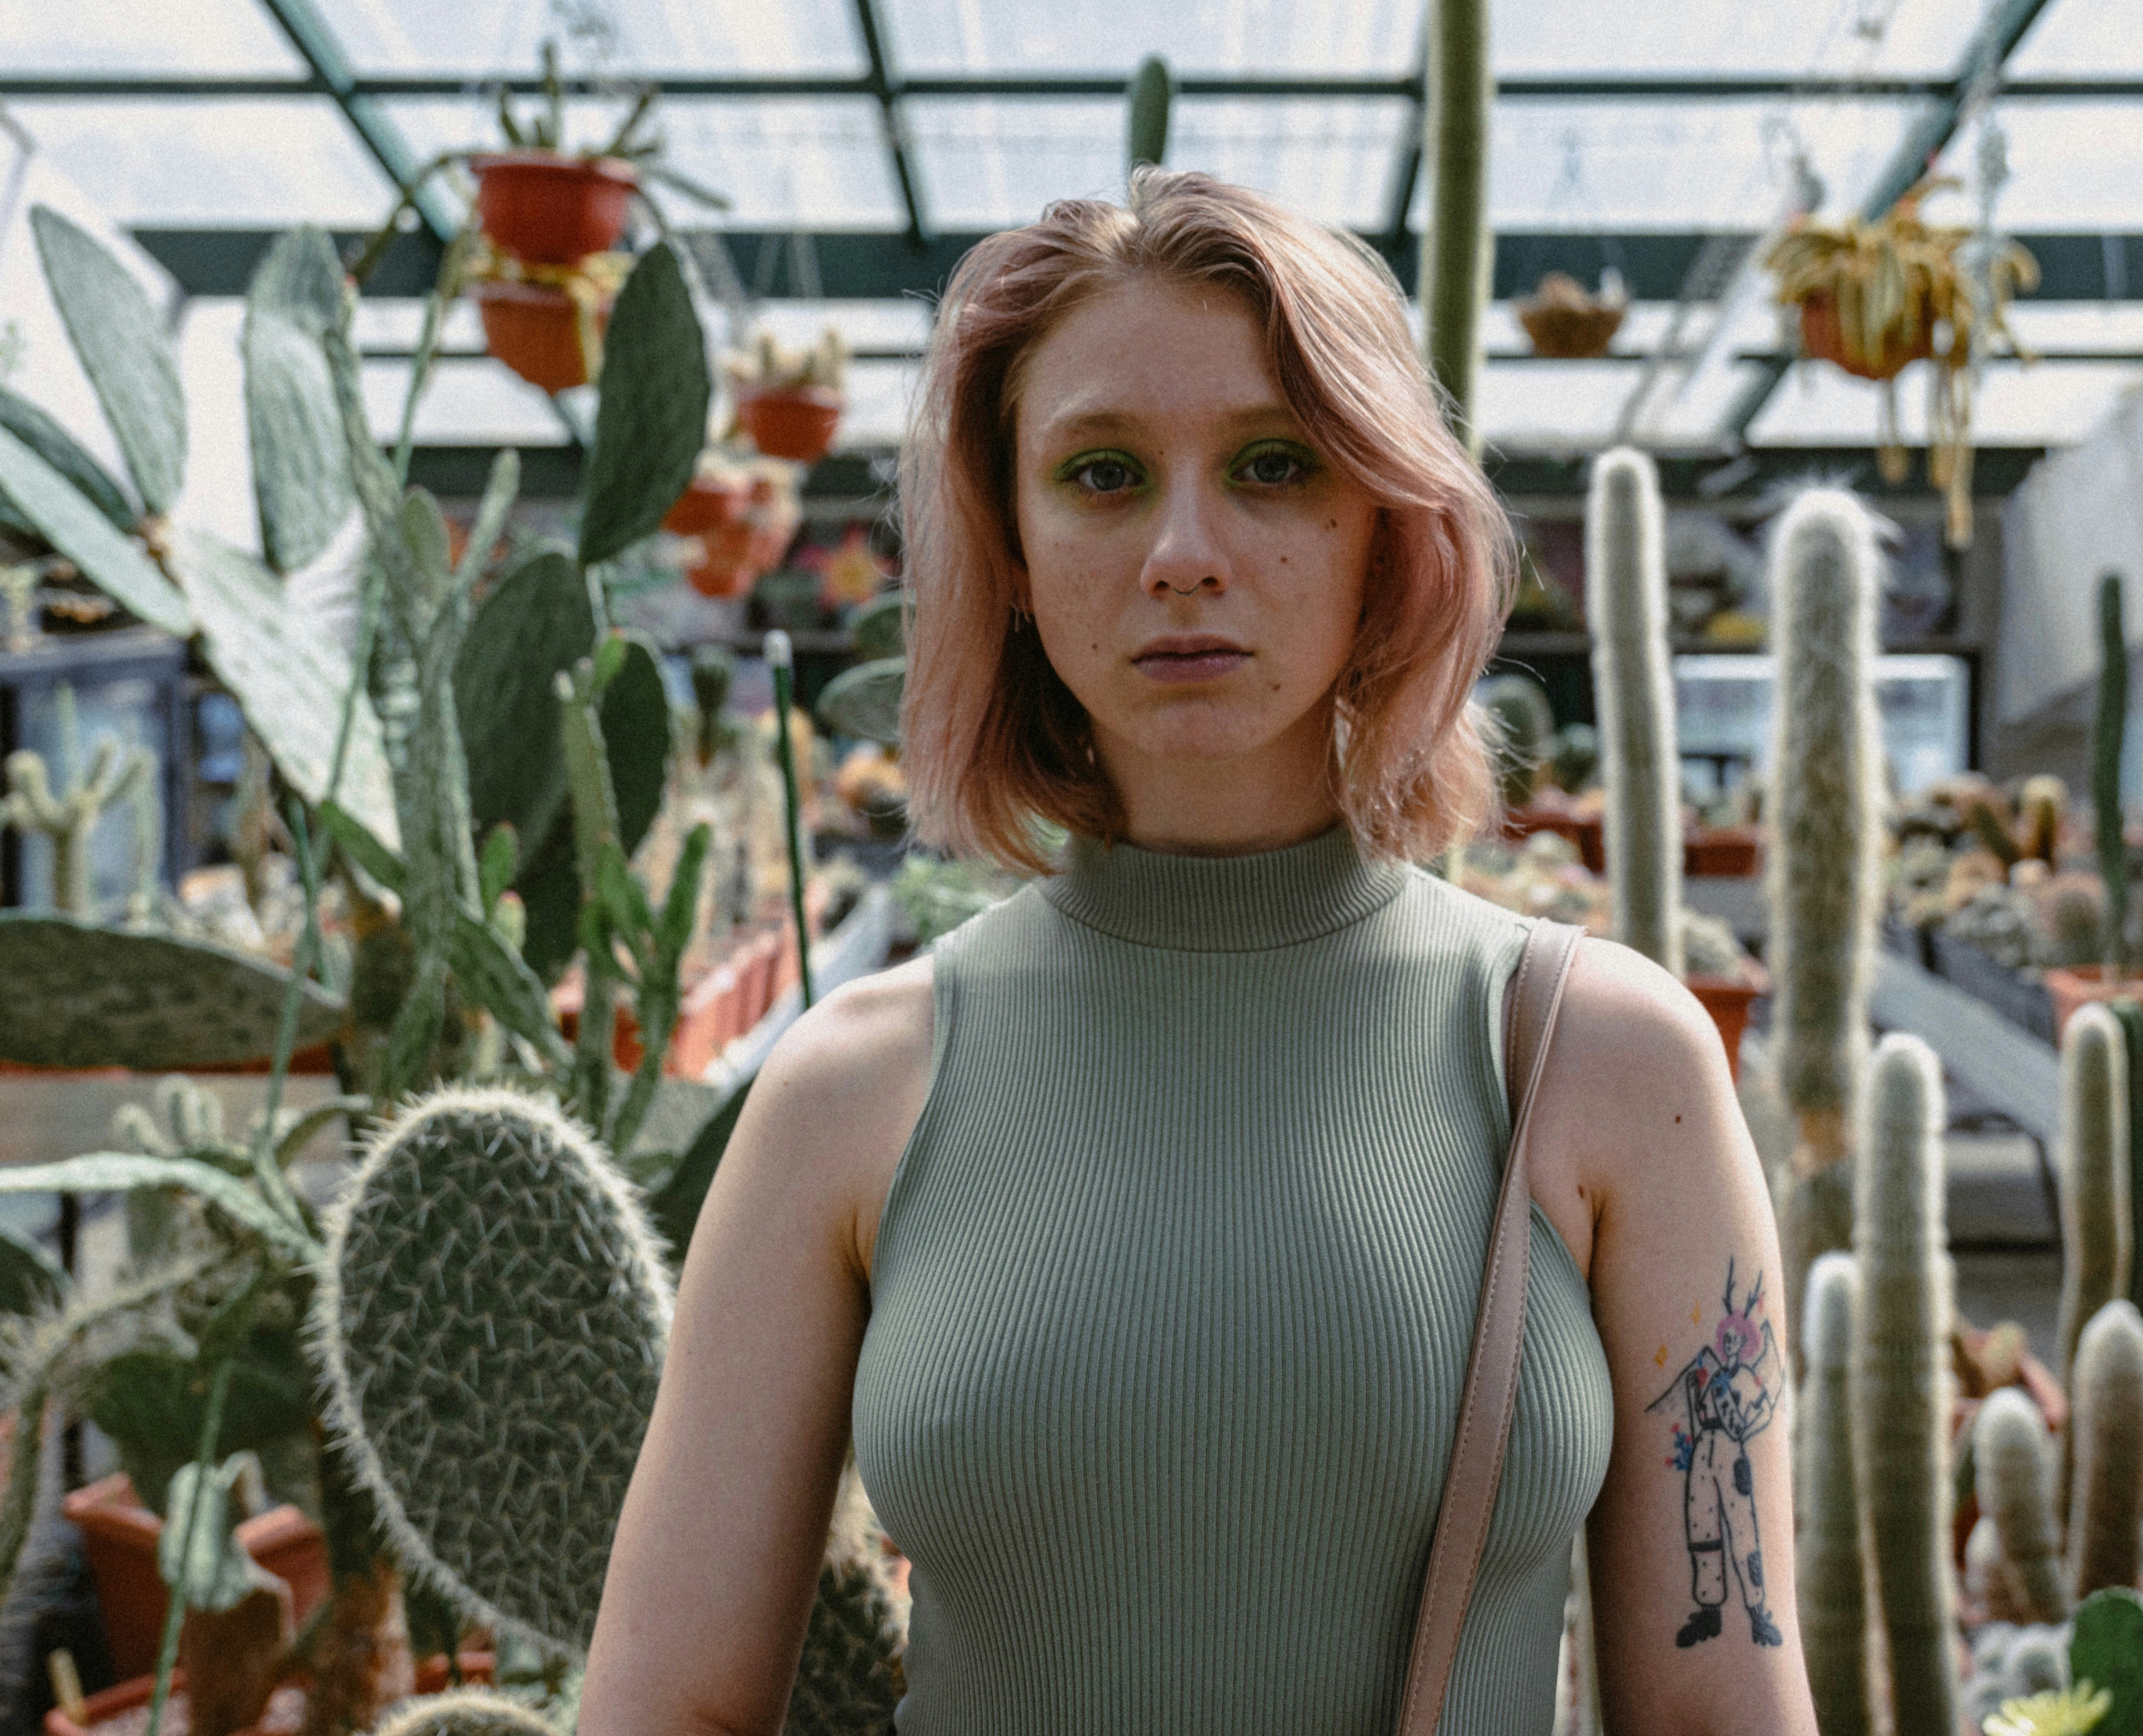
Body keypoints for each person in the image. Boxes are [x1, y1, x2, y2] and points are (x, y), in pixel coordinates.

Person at [584, 173, 1807, 1735]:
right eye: (1099, 472)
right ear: (1010, 549)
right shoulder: (848, 1090)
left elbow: (1721, 1707)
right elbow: (664, 1710)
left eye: (1273, 464)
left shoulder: (1603, 1063)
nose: (1181, 548)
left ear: (1383, 523)